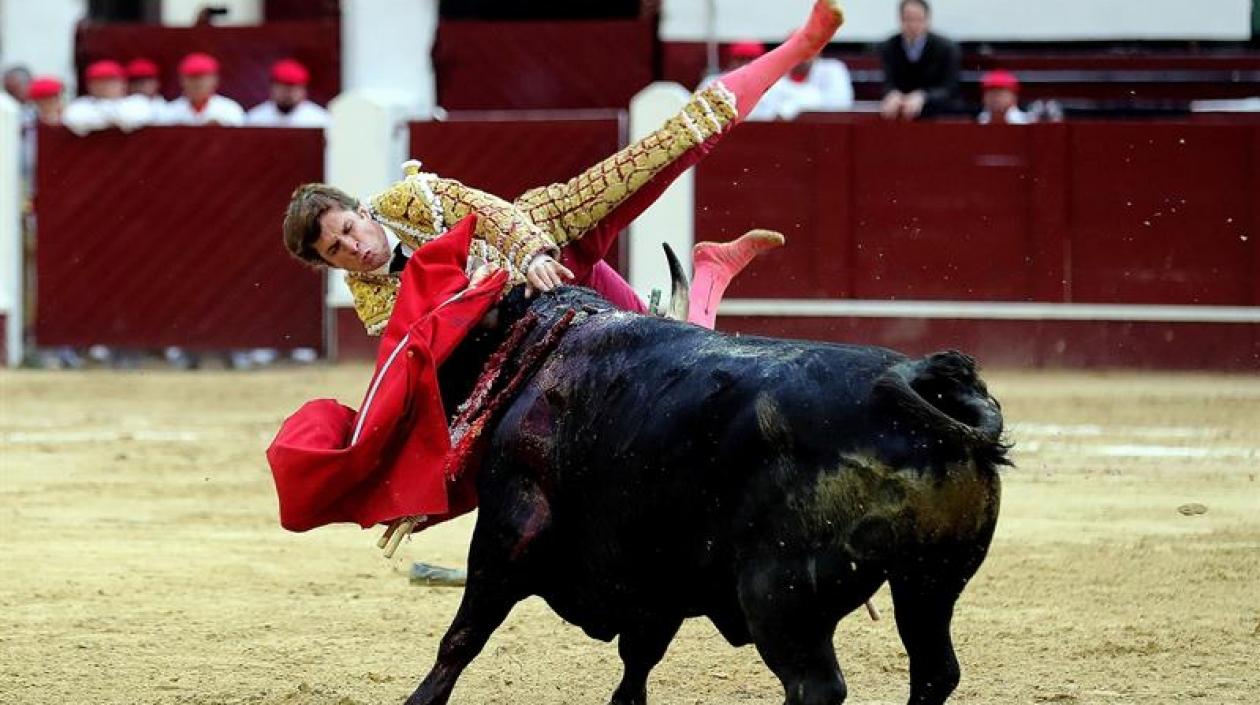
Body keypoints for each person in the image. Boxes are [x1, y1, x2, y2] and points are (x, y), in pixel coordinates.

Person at [284, 0, 846, 335]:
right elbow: (431, 339)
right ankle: (709, 273)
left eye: (348, 230)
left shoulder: (405, 199)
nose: (353, 247)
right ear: (325, 265)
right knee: (672, 350)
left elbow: (486, 209)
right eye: (336, 250)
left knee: (675, 140)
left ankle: (799, 43)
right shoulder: (371, 298)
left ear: (359, 211)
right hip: (536, 312)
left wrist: (528, 254)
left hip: (552, 229)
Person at [879, 0, 959, 121]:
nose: (913, 25)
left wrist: (923, 96)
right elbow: (887, 81)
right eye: (908, 19)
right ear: (900, 20)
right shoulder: (888, 46)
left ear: (928, 20)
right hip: (899, 112)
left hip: (937, 113)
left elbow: (949, 88)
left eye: (918, 19)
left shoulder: (945, 48)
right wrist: (891, 93)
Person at [62, 60, 155, 136]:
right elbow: (75, 120)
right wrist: (112, 119)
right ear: (89, 86)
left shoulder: (137, 102)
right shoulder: (80, 105)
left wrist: (96, 118)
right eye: (98, 82)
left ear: (123, 84)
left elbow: (130, 118)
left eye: (111, 81)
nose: (105, 87)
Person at [162, 52, 245, 126]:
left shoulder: (230, 109)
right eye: (192, 78)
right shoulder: (169, 112)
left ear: (215, 79)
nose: (198, 84)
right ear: (182, 80)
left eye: (203, 78)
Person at [246, 59, 329, 128]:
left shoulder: (319, 120)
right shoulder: (256, 119)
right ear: (272, 88)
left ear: (303, 90)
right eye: (283, 88)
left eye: (293, 89)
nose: (288, 94)